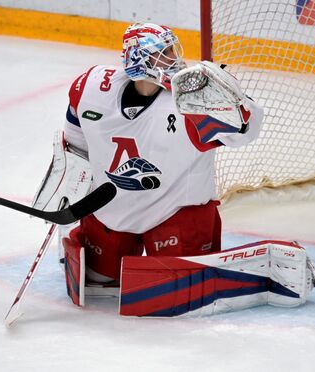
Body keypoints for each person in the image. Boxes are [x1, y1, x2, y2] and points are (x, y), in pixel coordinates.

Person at [44, 22, 264, 303]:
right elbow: (74, 147)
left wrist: (238, 103)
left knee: (180, 290)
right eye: (165, 53)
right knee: (99, 281)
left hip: (173, 212)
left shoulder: (192, 101)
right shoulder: (93, 88)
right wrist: (66, 195)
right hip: (112, 211)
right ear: (139, 61)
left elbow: (246, 131)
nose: (175, 58)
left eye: (173, 49)